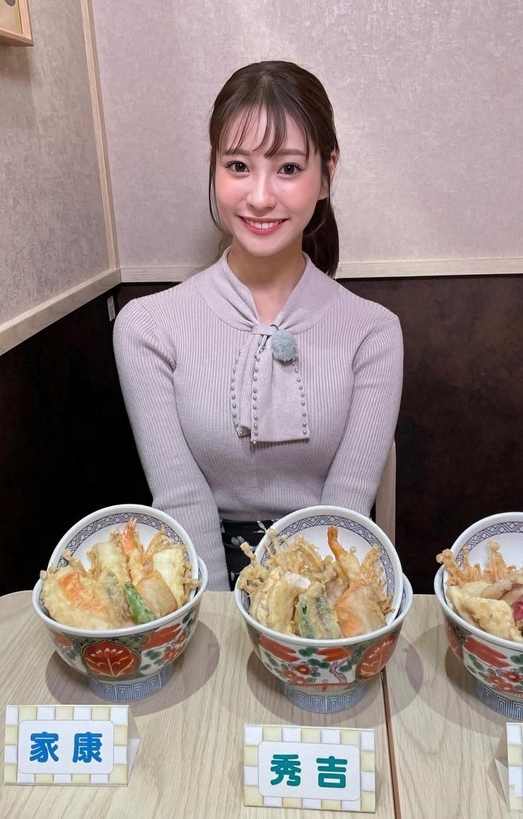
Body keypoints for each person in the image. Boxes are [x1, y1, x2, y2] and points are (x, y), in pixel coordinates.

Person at [113, 60, 403, 590]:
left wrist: (299, 614)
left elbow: (346, 507)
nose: (261, 196)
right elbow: (181, 499)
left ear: (327, 174)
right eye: (238, 166)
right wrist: (220, 614)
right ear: (214, 168)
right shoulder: (147, 327)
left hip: (328, 573)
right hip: (199, 576)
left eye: (288, 167)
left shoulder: (373, 333)